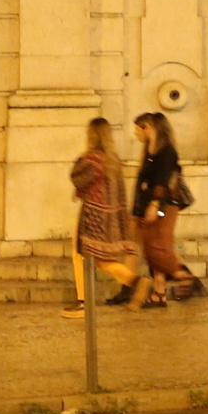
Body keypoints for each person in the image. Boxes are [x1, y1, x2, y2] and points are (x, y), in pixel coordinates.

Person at [130, 111, 208, 305]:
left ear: (149, 128)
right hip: (152, 205)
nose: (136, 134)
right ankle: (159, 292)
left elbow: (162, 180)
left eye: (138, 129)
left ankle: (184, 277)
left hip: (163, 205)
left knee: (158, 247)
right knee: (152, 247)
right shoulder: (150, 151)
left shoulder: (166, 152)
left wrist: (154, 205)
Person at [67, 117, 142, 316]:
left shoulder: (91, 159)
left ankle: (83, 301)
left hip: (92, 215)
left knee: (80, 255)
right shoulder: (113, 160)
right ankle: (134, 281)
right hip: (111, 217)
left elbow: (77, 177)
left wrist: (80, 159)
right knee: (98, 259)